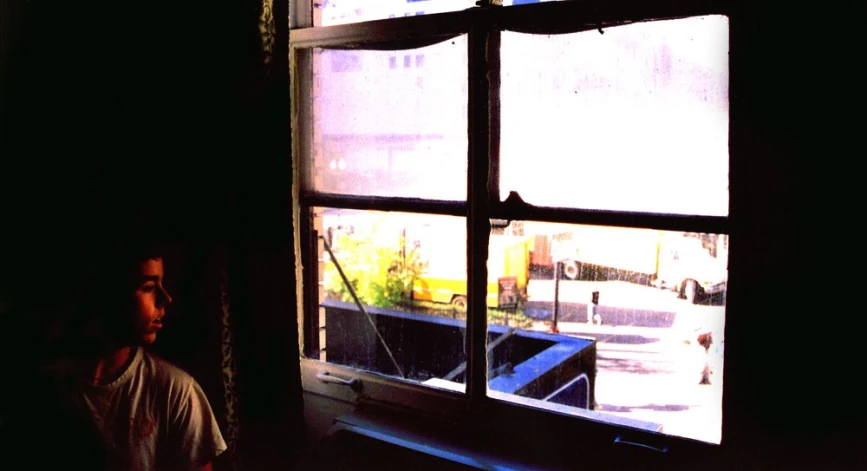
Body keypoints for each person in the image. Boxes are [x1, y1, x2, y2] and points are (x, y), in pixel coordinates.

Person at [33, 234, 228, 470]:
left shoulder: (175, 392)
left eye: (162, 284)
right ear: (108, 294)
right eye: (148, 287)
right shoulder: (46, 386)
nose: (165, 298)